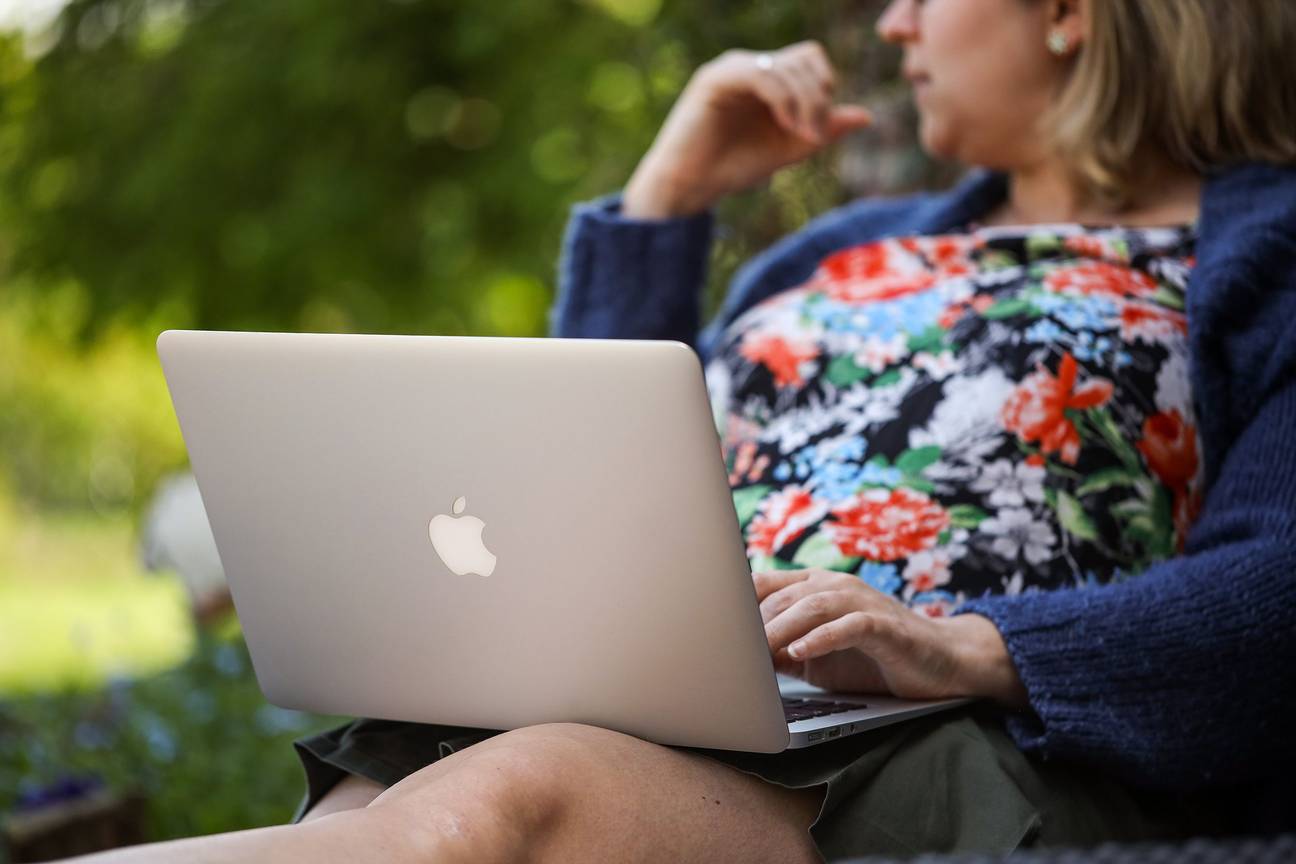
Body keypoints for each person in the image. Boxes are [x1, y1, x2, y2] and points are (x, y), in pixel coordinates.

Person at [75, 0, 1296, 861]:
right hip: (671, 699)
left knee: (493, 815)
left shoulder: (1264, 254)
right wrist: (668, 197)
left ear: (1070, 10)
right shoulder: (835, 252)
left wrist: (973, 647)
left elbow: (1279, 585)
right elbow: (568, 464)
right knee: (389, 821)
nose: (893, 28)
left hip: (952, 744)